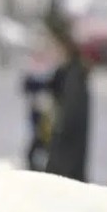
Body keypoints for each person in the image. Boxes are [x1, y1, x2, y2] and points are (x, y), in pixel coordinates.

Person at [42, 10, 91, 182]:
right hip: (65, 162)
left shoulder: (74, 76)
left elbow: (69, 123)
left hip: (66, 168)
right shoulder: (65, 73)